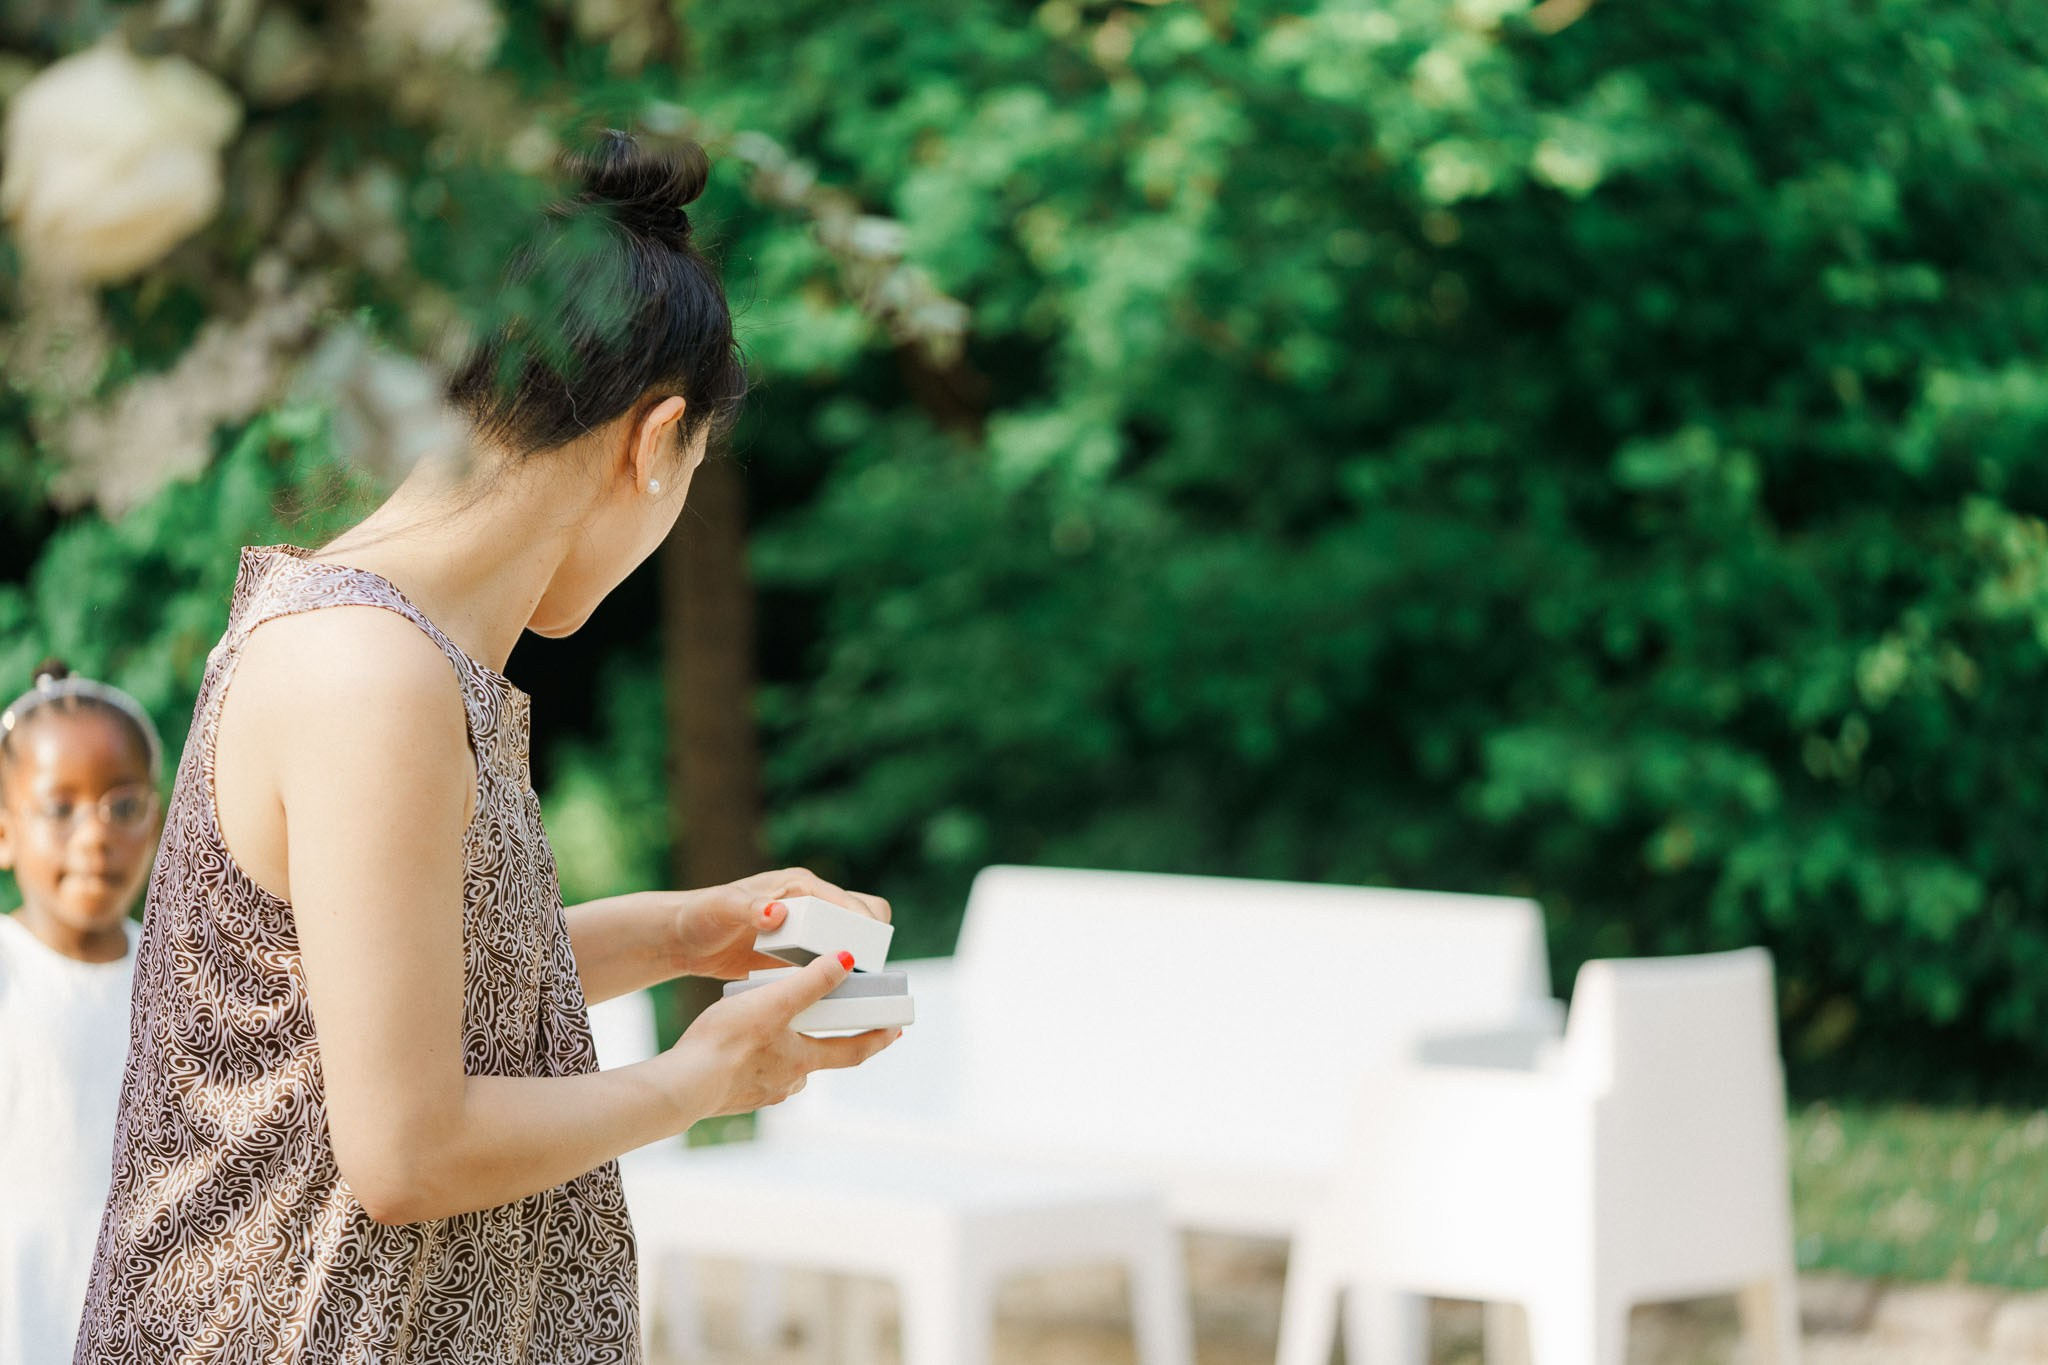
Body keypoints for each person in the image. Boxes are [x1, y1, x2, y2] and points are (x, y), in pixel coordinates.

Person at [73, 131, 899, 1364]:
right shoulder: (370, 675)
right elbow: (408, 1152)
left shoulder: (392, 652)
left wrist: (684, 935)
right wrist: (702, 1079)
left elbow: (397, 989)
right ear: (654, 441)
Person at [0, 662, 162, 1365]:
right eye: (59, 808)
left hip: (145, 1322)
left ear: (156, 822)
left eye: (122, 807)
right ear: (4, 832)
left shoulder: (173, 974)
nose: (95, 835)